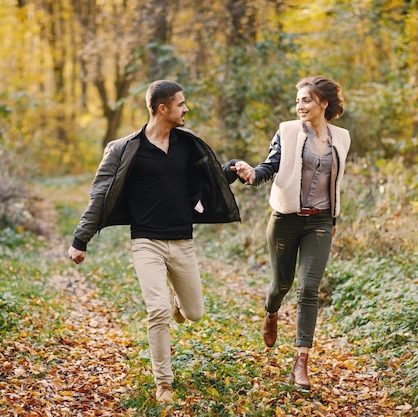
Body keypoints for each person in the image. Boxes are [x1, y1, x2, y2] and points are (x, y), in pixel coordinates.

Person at [68, 80, 240, 403]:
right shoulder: (125, 149)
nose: (186, 108)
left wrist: (232, 169)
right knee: (157, 311)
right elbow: (99, 195)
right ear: (163, 109)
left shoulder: (187, 145)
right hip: (146, 242)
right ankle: (164, 383)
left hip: (182, 242)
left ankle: (178, 298)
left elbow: (211, 178)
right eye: (181, 103)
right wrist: (81, 239)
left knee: (195, 313)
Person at [227, 75, 350, 391]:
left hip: (320, 222)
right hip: (285, 220)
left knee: (309, 288)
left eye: (306, 100)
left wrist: (333, 218)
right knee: (282, 284)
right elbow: (271, 166)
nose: (300, 106)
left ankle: (301, 363)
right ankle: (271, 313)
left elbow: (335, 182)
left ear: (323, 103)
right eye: (298, 101)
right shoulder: (288, 132)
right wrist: (252, 174)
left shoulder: (342, 138)